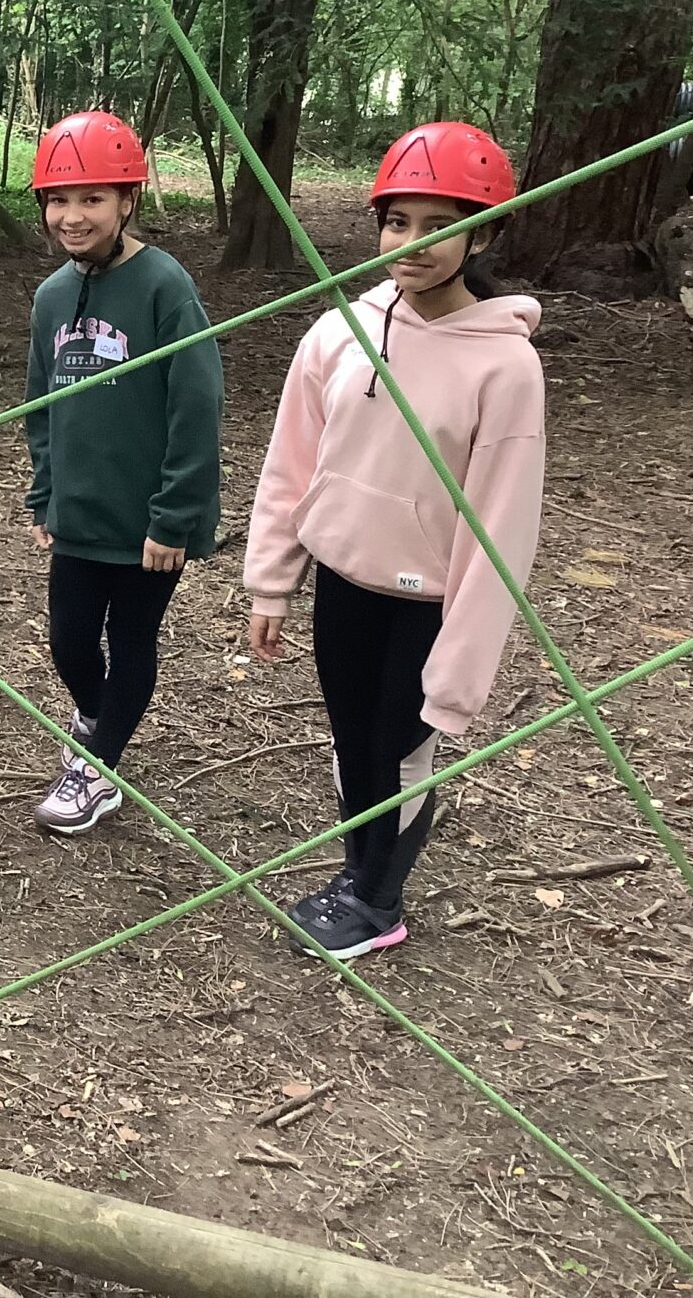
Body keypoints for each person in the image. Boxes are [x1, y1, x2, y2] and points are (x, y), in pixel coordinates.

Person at [247, 122, 541, 959]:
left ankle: (378, 900)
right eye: (396, 220)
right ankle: (359, 875)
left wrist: (460, 671)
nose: (411, 244)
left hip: (429, 601)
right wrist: (274, 581)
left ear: (480, 231)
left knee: (401, 750)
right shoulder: (341, 327)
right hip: (345, 578)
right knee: (352, 743)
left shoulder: (505, 367)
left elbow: (501, 527)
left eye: (437, 223)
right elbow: (291, 460)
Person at [24, 111, 223, 835]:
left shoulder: (165, 287)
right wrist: (45, 493)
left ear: (128, 200)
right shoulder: (51, 297)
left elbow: (196, 407)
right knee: (69, 641)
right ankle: (99, 718)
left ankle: (97, 767)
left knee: (132, 641)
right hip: (79, 513)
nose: (72, 217)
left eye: (92, 199)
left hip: (149, 522)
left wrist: (175, 514)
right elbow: (40, 405)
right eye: (58, 200)